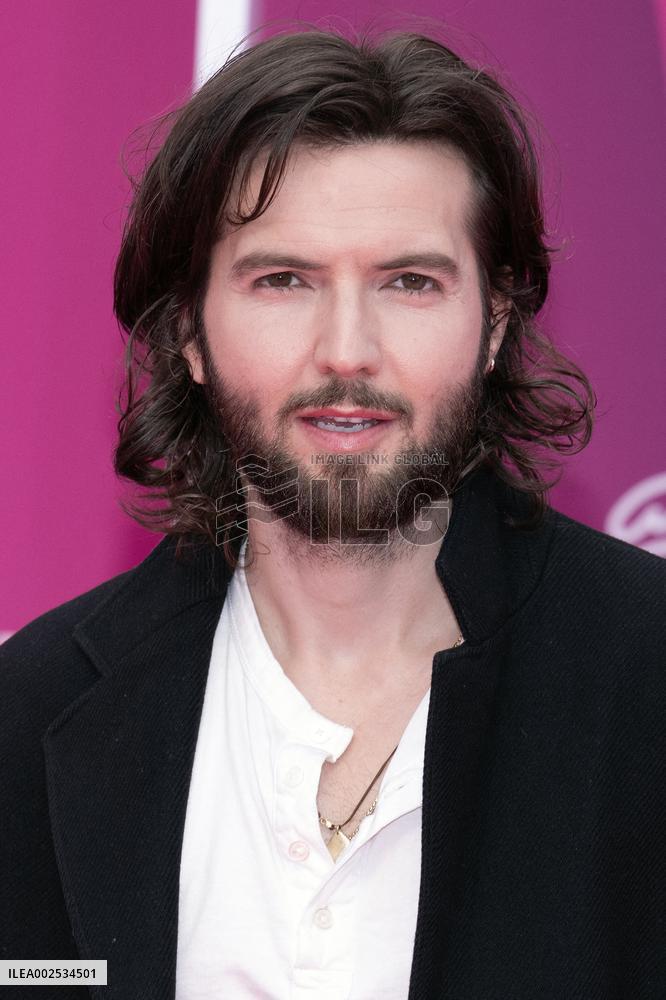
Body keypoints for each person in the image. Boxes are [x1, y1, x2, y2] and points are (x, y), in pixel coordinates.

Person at [1, 24, 664, 1000]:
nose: (346, 349)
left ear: (495, 325)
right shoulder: (33, 707)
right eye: (284, 280)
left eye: (408, 282)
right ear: (188, 330)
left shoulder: (645, 672)